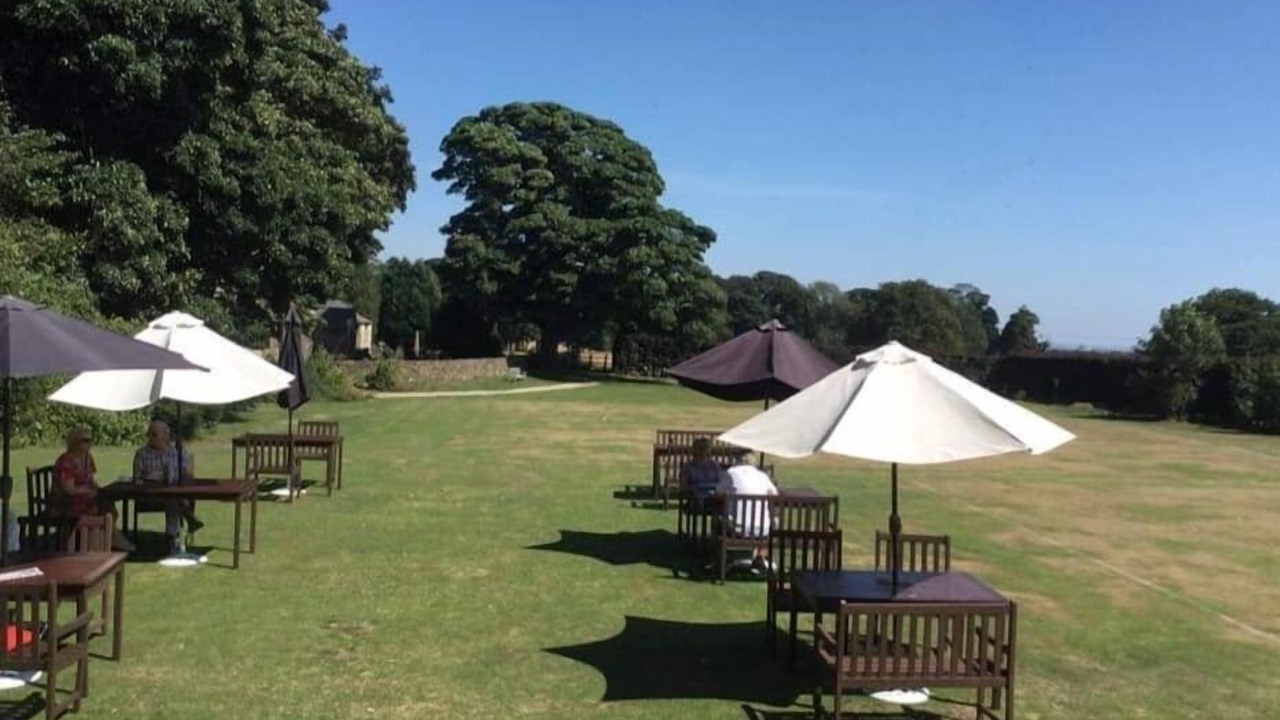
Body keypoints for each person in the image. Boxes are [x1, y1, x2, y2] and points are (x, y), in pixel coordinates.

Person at [51, 426, 136, 551]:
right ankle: (107, 541)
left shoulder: (87, 458)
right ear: (74, 441)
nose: (89, 444)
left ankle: (104, 539)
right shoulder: (66, 461)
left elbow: (91, 480)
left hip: (87, 497)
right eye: (85, 440)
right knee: (97, 508)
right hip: (67, 502)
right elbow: (68, 489)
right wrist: (88, 492)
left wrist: (98, 490)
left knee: (107, 505)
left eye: (90, 440)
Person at [132, 420, 203, 553]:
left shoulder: (178, 451)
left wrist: (187, 467)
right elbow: (136, 477)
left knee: (172, 499)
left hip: (173, 492)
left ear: (166, 436)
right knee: (174, 500)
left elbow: (189, 475)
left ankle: (171, 537)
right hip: (150, 495)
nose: (149, 438)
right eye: (148, 434)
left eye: (154, 434)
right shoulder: (142, 453)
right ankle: (186, 521)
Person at [716, 462, 779, 569]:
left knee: (717, 520)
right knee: (775, 522)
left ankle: (718, 561)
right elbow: (774, 495)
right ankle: (761, 555)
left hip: (736, 529)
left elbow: (718, 493)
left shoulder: (731, 473)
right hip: (762, 530)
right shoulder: (762, 476)